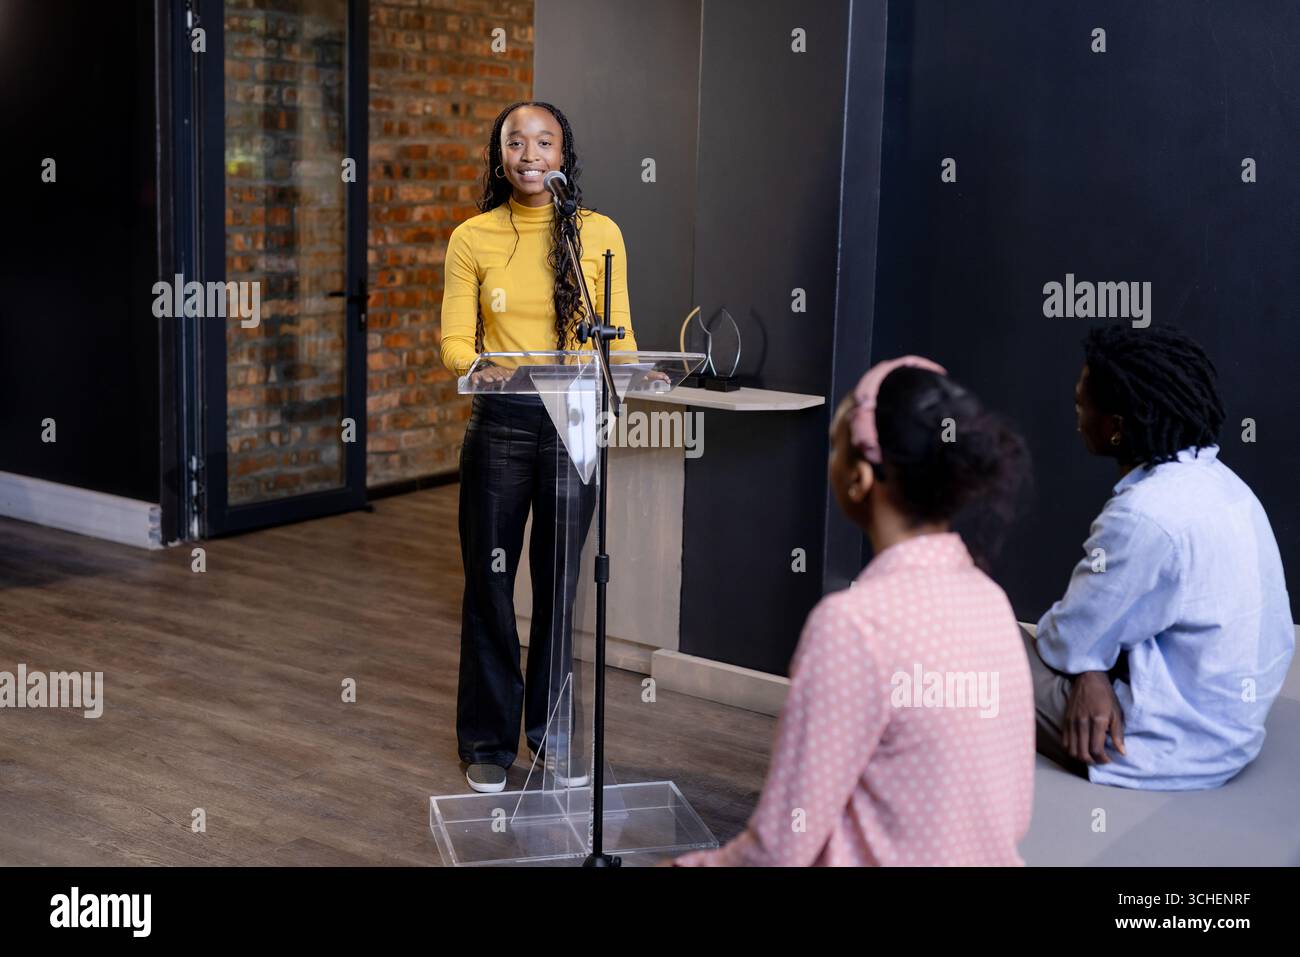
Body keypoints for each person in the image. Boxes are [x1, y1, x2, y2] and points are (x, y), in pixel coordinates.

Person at [676, 357, 1035, 866]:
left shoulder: (852, 626)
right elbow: (1013, 813)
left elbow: (777, 853)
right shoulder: (990, 601)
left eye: (834, 445)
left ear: (859, 477)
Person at [440, 101, 641, 793]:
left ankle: (552, 736)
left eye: (544, 142)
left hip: (574, 420)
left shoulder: (599, 233)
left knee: (559, 585)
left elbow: (620, 331)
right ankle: (487, 741)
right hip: (500, 422)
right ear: (500, 158)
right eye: (515, 142)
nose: (530, 154)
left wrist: (636, 374)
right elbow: (454, 340)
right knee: (489, 583)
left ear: (563, 156)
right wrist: (479, 366)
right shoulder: (472, 237)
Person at [1026, 324, 1294, 790]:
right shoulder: (1221, 482)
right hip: (1232, 725)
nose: (1076, 417)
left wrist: (1086, 659)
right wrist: (1092, 668)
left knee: (978, 637)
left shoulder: (1143, 516)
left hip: (1162, 744)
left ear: (1115, 428)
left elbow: (1063, 642)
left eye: (1080, 404)